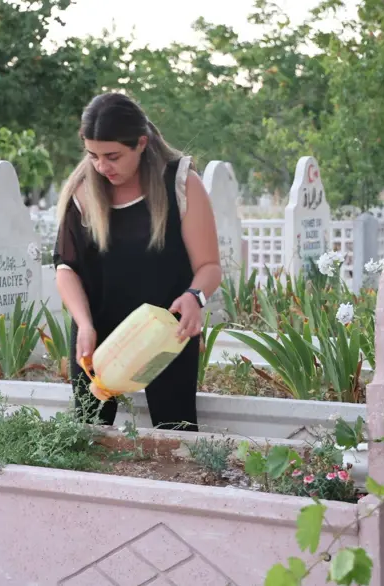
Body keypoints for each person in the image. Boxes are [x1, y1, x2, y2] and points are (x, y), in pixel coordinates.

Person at [52, 92, 222, 432]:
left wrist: (195, 297)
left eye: (112, 156)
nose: (102, 166)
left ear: (141, 143)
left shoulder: (181, 183)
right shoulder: (83, 190)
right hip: (97, 332)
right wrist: (84, 324)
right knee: (88, 436)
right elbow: (66, 268)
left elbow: (210, 267)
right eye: (93, 155)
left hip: (166, 332)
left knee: (177, 434)